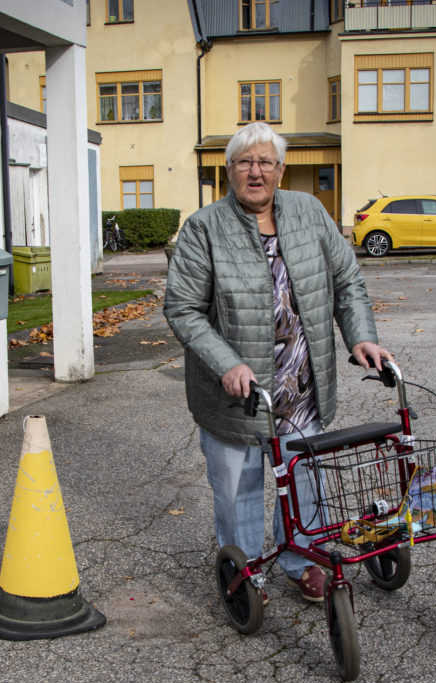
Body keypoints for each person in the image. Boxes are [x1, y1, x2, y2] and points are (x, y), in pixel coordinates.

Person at [163, 121, 394, 603]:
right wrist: (226, 363)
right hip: (239, 396)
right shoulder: (204, 228)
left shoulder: (310, 212)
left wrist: (361, 339)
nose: (255, 172)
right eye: (245, 162)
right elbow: (182, 308)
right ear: (229, 170)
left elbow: (347, 281)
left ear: (281, 170)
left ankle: (300, 559)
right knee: (238, 488)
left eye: (265, 162)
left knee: (305, 479)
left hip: (303, 387)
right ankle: (246, 572)